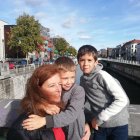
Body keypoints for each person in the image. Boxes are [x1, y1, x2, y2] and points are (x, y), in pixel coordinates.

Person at [22, 56, 91, 140]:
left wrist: (45, 121)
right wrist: (43, 106)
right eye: (65, 78)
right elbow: (35, 97)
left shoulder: (78, 91)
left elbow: (72, 113)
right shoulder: (58, 89)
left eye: (73, 77)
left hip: (75, 133)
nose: (69, 82)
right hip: (62, 130)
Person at [77, 45, 130, 140]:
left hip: (117, 125)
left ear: (96, 62)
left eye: (89, 60)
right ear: (78, 62)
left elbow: (123, 100)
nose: (85, 64)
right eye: (82, 60)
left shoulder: (102, 76)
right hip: (99, 126)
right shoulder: (82, 79)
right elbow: (84, 102)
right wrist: (87, 122)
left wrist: (99, 118)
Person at [7, 64, 66, 140]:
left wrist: (85, 124)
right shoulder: (25, 127)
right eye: (52, 85)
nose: (59, 89)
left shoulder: (57, 110)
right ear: (38, 90)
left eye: (60, 84)